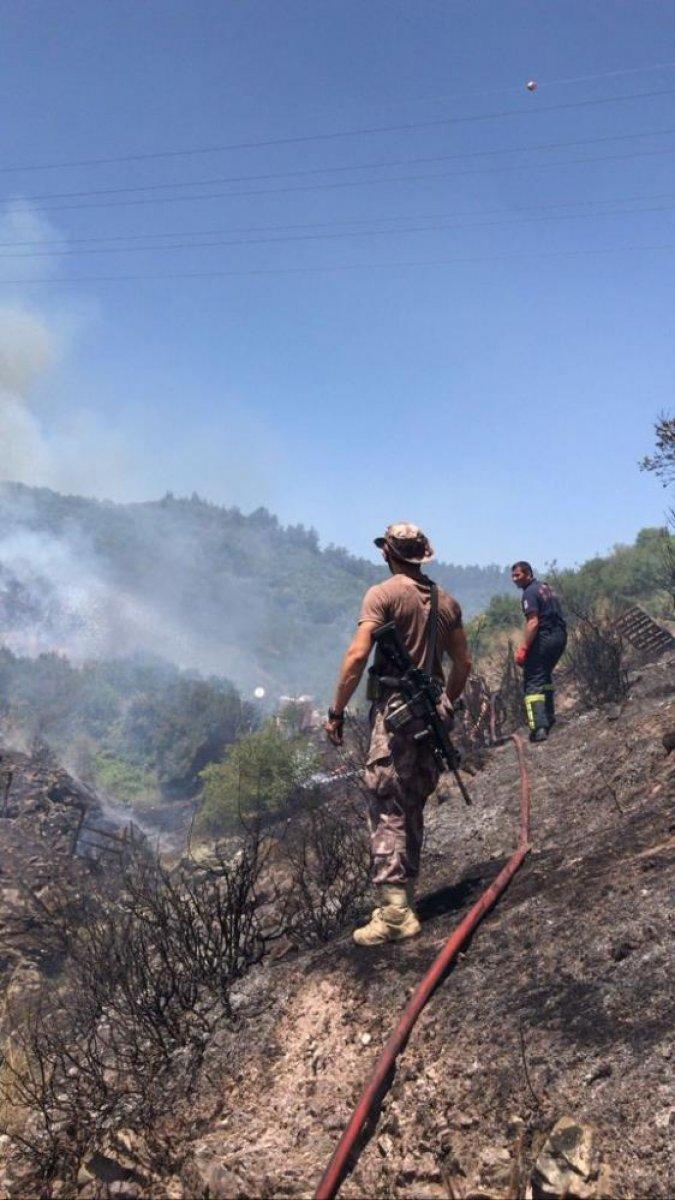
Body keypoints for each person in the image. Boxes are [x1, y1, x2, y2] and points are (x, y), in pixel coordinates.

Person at [325, 524, 472, 946]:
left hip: (395, 711)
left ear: (388, 554)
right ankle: (403, 898)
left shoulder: (382, 594)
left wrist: (336, 711)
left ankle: (393, 915)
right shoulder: (448, 603)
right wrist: (444, 702)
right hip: (432, 714)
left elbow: (357, 656)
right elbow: (463, 665)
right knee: (413, 803)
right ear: (423, 555)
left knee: (387, 800)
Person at [511, 561, 567, 742]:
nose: (514, 579)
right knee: (545, 676)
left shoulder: (529, 593)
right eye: (513, 576)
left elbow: (533, 622)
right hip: (560, 637)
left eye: (517, 575)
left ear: (528, 573)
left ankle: (539, 728)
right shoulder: (545, 588)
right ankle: (549, 718)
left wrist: (524, 648)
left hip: (544, 638)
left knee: (533, 681)